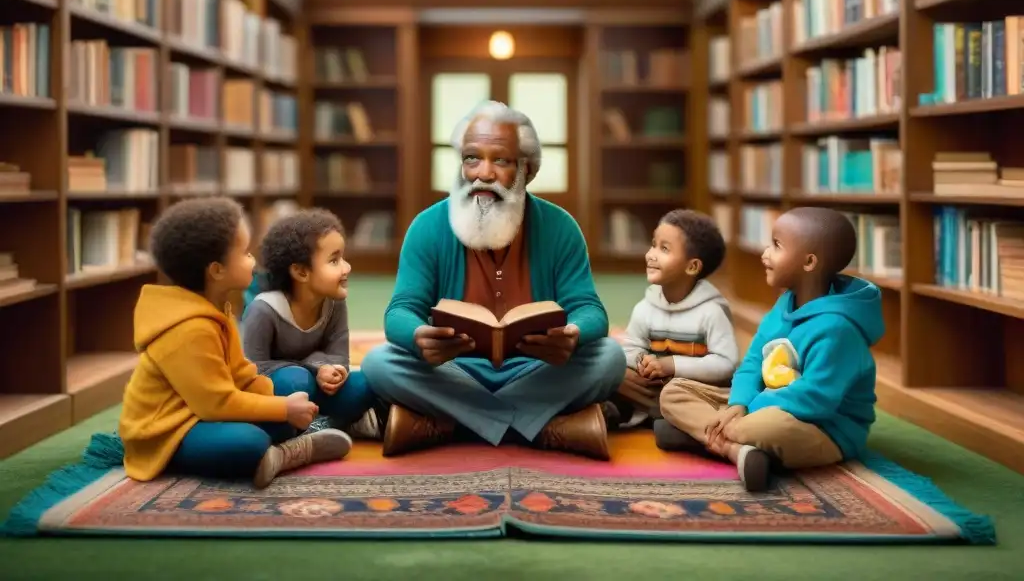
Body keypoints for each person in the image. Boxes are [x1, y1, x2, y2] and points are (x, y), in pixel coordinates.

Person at [360, 100, 626, 460]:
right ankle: (545, 428)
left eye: (500, 160)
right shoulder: (428, 226)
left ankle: (451, 426)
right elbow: (401, 311)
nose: (482, 173)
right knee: (379, 363)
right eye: (472, 158)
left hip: (538, 370)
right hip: (454, 372)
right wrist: (419, 336)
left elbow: (589, 309)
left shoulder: (560, 227)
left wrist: (574, 335)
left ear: (527, 170)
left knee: (609, 357)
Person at [118, 197, 352, 489]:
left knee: (285, 401)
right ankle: (287, 451)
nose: (253, 260)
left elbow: (241, 375)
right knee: (249, 442)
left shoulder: (217, 307)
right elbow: (217, 404)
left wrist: (280, 399)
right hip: (169, 430)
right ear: (216, 271)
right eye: (244, 253)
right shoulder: (189, 330)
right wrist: (283, 409)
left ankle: (285, 446)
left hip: (204, 414)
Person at [658, 207, 883, 492]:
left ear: (809, 262)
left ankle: (699, 436)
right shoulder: (785, 304)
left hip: (824, 428)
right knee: (674, 392)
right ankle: (737, 451)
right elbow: (752, 363)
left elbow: (815, 399)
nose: (765, 253)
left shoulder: (838, 329)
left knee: (766, 427)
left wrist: (747, 413)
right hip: (763, 405)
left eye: (776, 246)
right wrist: (738, 403)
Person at [241, 208, 381, 439]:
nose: (347, 267)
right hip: (286, 392)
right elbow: (255, 372)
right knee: (297, 380)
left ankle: (317, 427)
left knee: (365, 382)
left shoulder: (334, 303)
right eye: (334, 260)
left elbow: (340, 358)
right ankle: (331, 425)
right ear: (301, 272)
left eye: (343, 258)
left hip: (319, 389)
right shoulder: (263, 310)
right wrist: (314, 366)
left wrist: (335, 371)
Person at [610, 209, 737, 431]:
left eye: (664, 248)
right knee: (610, 369)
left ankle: (674, 424)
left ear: (692, 266)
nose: (651, 254)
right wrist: (644, 362)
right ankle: (623, 415)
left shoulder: (711, 312)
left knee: (677, 400)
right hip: (651, 390)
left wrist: (671, 365)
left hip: (692, 393)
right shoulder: (645, 308)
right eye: (653, 244)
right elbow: (630, 349)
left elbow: (726, 363)